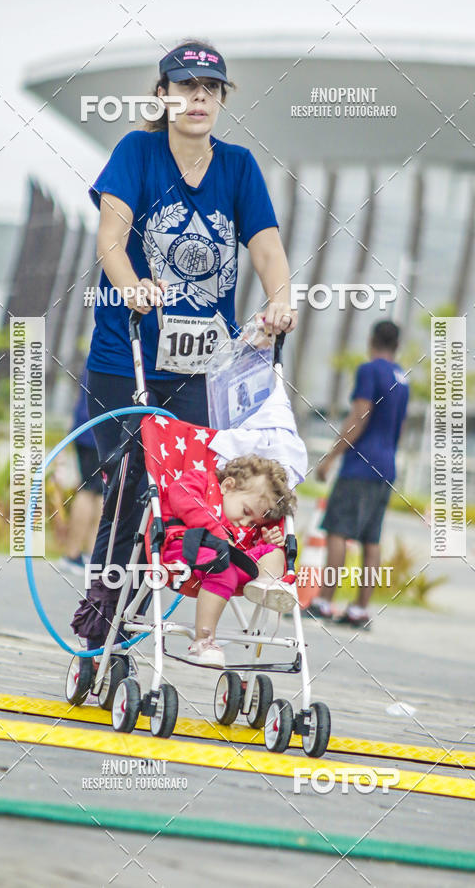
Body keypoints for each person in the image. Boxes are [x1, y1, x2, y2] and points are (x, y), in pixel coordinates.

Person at [71, 38, 297, 649]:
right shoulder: (137, 152)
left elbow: (268, 247)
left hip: (201, 368)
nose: (198, 98)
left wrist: (280, 295)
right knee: (128, 488)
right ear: (164, 94)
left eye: (210, 89)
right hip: (130, 357)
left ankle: (183, 615)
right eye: (186, 87)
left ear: (221, 99)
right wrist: (134, 287)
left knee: (190, 493)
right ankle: (102, 621)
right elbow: (111, 242)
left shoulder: (237, 167)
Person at [311, 320, 409, 627]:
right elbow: (400, 426)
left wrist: (330, 457)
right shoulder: (403, 378)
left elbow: (360, 415)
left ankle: (324, 602)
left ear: (371, 340)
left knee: (338, 531)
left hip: (360, 464)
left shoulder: (369, 370)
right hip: (386, 466)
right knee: (371, 539)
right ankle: (359, 610)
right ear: (397, 345)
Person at [161, 455, 297, 666]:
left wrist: (264, 542)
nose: (245, 523)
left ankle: (266, 584)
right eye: (246, 512)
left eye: (253, 521)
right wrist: (219, 534)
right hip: (187, 550)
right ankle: (203, 641)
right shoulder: (200, 482)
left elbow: (246, 550)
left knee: (275, 551)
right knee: (222, 566)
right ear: (227, 485)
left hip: (234, 565)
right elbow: (183, 500)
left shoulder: (243, 522)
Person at [58, 365, 103, 576]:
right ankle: (73, 554)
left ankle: (88, 553)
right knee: (91, 491)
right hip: (96, 432)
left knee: (100, 493)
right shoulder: (118, 350)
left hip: (88, 429)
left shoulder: (101, 350)